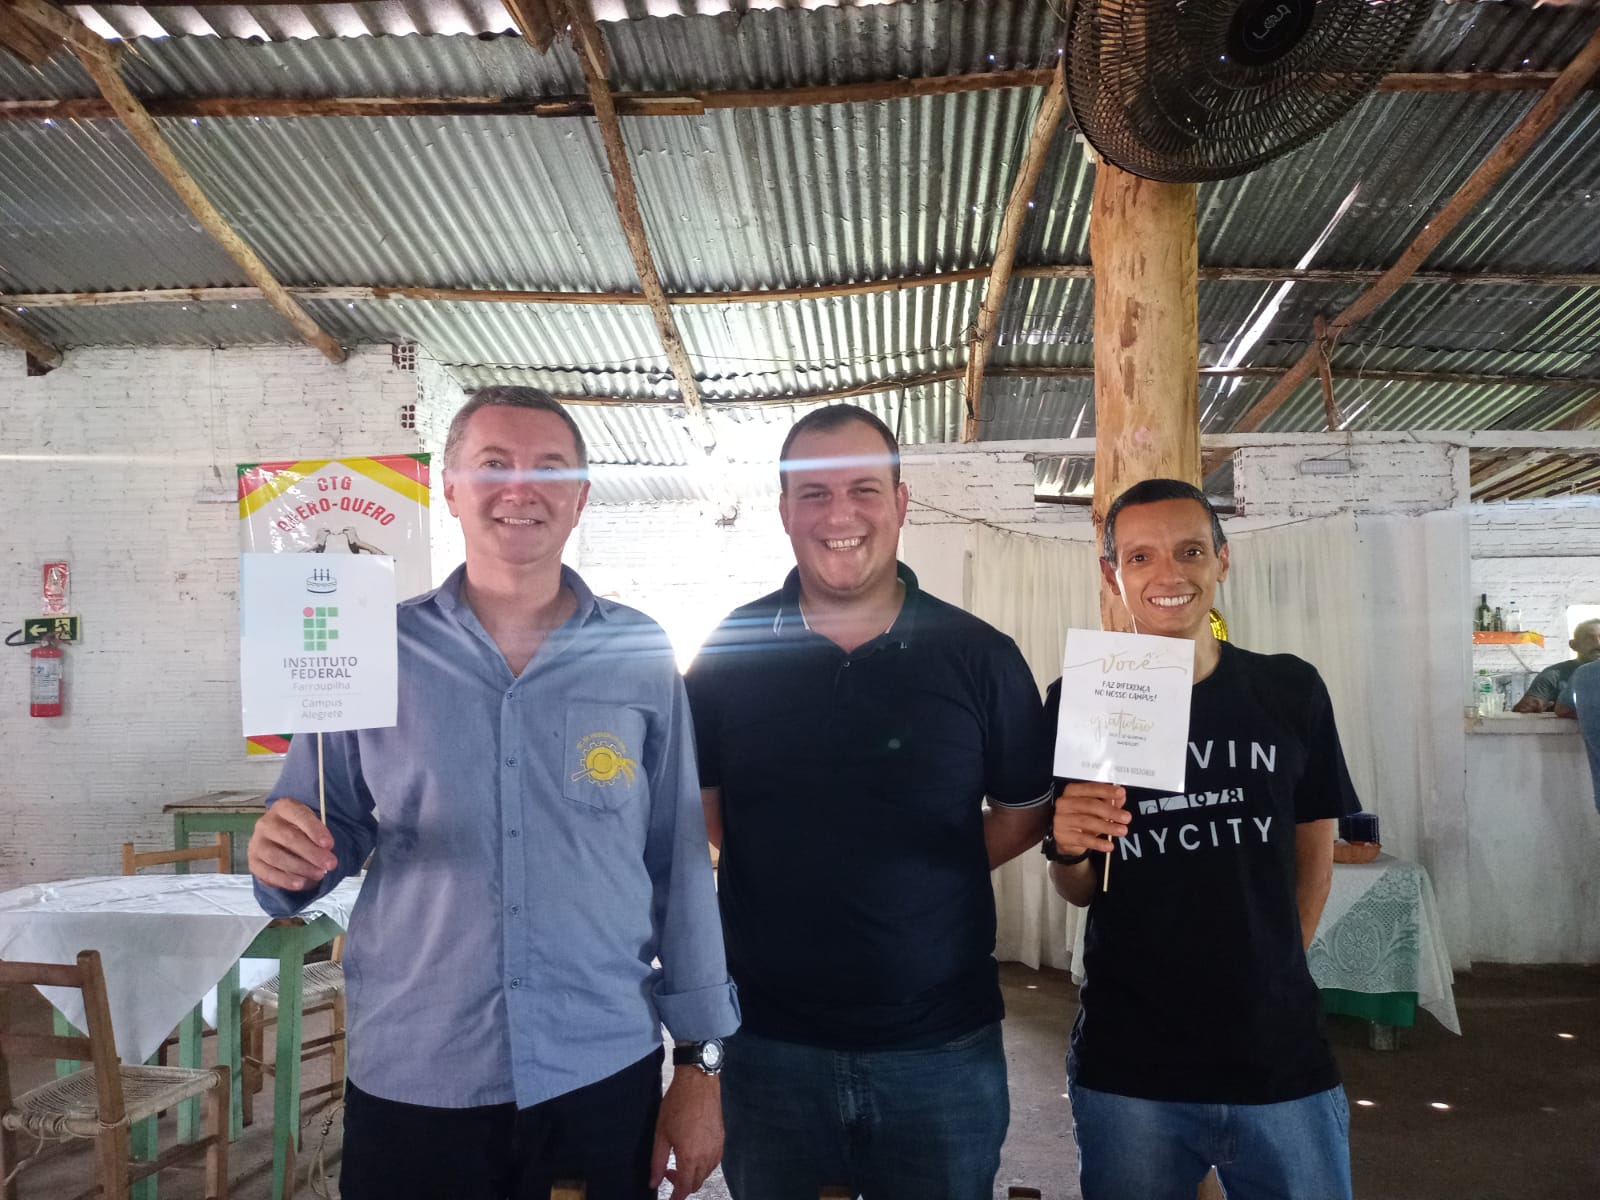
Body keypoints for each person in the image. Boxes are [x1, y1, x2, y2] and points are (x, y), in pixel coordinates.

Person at [247, 386, 739, 1200]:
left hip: (597, 1066)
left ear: (580, 497)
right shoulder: (372, 648)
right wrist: (282, 857)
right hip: (418, 1067)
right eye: (494, 464)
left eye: (550, 468)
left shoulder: (638, 652)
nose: (522, 488)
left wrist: (699, 1062)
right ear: (450, 487)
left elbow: (678, 867)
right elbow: (315, 833)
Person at [683, 405, 1053, 1200]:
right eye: (813, 494)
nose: (839, 514)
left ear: (901, 502)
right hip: (768, 1045)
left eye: (863, 489)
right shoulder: (727, 652)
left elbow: (1024, 814)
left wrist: (924, 872)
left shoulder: (981, 656)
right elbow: (709, 813)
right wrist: (802, 862)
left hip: (942, 1049)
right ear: (784, 511)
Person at [1047, 478, 1361, 1200]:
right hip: (1132, 1057)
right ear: (1113, 575)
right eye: (1140, 557)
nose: (1169, 575)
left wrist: (1274, 974)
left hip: (1278, 1054)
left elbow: (1314, 849)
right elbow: (1081, 888)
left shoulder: (1289, 690)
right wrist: (1067, 845)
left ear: (1223, 559)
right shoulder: (1082, 700)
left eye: (1190, 551)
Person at [1513, 618, 1600, 713]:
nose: (1598, 643)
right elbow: (1523, 710)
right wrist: (1529, 708)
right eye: (1589, 638)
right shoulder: (1554, 675)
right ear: (1573, 645)